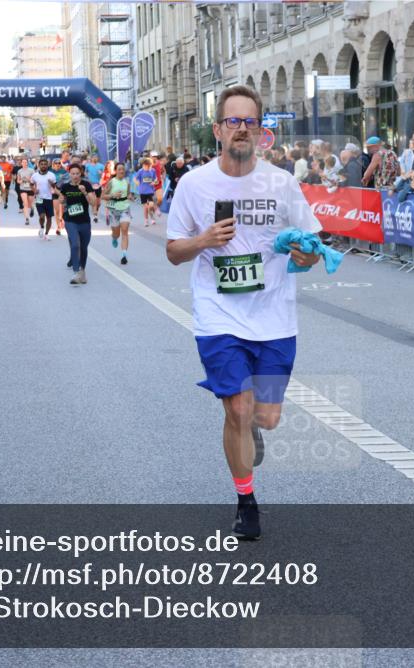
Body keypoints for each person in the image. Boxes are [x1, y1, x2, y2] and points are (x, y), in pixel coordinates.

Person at [165, 85, 323, 541]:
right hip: (219, 316)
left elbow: (310, 250)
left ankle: (251, 425)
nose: (241, 130)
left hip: (275, 318)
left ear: (260, 132)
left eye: (249, 122)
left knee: (265, 417)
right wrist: (204, 241)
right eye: (232, 122)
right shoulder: (194, 185)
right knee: (237, 406)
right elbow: (175, 252)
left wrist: (304, 253)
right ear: (218, 130)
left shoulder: (282, 183)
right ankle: (246, 500)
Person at [56, 163, 97, 284]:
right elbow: (61, 200)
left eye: (77, 174)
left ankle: (82, 272)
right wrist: (61, 200)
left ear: (81, 174)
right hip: (70, 220)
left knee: (83, 247)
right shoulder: (65, 186)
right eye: (73, 174)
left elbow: (93, 203)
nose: (75, 176)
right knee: (75, 245)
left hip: (84, 221)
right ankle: (76, 271)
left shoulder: (86, 185)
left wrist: (84, 192)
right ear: (69, 174)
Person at [102, 162, 133, 264]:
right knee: (116, 233)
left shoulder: (127, 182)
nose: (121, 171)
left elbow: (128, 194)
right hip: (113, 209)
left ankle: (124, 255)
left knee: (125, 230)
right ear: (115, 171)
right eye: (119, 169)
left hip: (125, 208)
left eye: (123, 169)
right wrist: (113, 195)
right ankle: (114, 238)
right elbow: (103, 196)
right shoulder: (111, 182)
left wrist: (130, 197)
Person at [31, 157, 57, 240]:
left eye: (45, 164)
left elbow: (55, 186)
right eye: (41, 164)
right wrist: (34, 190)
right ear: (39, 165)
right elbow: (31, 184)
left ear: (48, 165)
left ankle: (46, 234)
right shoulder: (35, 175)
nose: (43, 166)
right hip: (39, 198)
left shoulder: (51, 175)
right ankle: (42, 227)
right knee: (42, 216)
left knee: (49, 218)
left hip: (49, 198)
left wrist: (51, 184)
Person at [134, 158, 158, 227]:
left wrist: (154, 182)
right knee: (145, 207)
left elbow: (156, 179)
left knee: (150, 205)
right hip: (143, 192)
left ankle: (152, 217)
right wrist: (137, 182)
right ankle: (146, 221)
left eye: (149, 166)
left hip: (150, 191)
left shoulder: (153, 170)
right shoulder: (140, 171)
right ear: (144, 165)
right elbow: (135, 178)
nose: (148, 168)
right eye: (146, 166)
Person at [84, 154, 104, 223]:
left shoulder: (101, 166)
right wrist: (87, 178)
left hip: (98, 185)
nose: (95, 159)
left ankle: (96, 211)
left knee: (98, 203)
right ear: (91, 158)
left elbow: (104, 175)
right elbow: (85, 172)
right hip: (91, 185)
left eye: (96, 157)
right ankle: (95, 216)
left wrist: (101, 173)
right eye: (94, 157)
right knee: (94, 201)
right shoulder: (87, 165)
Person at [16, 158, 35, 225]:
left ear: (27, 163)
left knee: (29, 204)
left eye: (26, 162)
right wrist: (21, 181)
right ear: (21, 163)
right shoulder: (19, 171)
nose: (24, 163)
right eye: (23, 162)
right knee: (25, 203)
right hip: (23, 188)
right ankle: (27, 219)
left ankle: (32, 208)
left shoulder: (31, 170)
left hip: (30, 188)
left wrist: (29, 180)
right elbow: (18, 180)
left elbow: (34, 180)